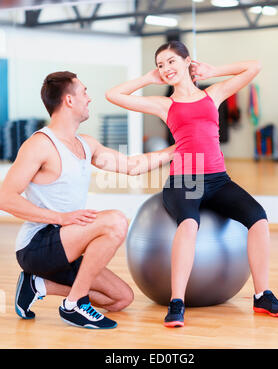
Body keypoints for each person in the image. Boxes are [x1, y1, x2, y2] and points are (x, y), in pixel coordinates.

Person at [105, 41, 278, 327]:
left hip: (218, 179)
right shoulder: (165, 104)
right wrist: (147, 78)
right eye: (160, 65)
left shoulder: (213, 94)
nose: (165, 68)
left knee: (259, 218)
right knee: (190, 223)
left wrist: (214, 70)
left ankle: (262, 295)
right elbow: (113, 94)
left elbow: (254, 66)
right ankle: (176, 301)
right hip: (185, 177)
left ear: (186, 62)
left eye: (170, 62)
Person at [0, 71, 175, 329]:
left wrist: (178, 148)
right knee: (115, 220)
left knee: (120, 299)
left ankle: (37, 285)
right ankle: (74, 305)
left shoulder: (86, 144)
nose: (89, 98)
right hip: (37, 247)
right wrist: (60, 218)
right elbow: (5, 198)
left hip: (67, 246)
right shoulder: (40, 144)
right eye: (84, 92)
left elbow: (131, 166)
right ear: (69, 100)